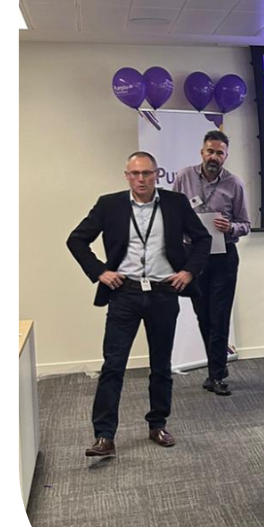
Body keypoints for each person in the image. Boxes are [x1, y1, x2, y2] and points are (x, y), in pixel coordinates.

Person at [66, 152, 211, 457]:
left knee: (161, 365)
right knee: (113, 366)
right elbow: (76, 240)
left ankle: (157, 424)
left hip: (164, 293)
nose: (141, 179)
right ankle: (104, 435)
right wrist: (100, 272)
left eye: (147, 173)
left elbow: (202, 239)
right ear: (126, 175)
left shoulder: (175, 203)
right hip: (125, 294)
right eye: (135, 174)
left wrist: (189, 271)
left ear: (157, 174)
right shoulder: (109, 204)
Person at [162, 129, 251, 395]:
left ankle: (218, 374)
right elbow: (171, 213)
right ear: (202, 152)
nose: (214, 156)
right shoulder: (183, 177)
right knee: (204, 316)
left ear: (226, 156)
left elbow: (246, 224)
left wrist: (230, 227)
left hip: (224, 257)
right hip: (194, 258)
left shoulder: (234, 184)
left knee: (220, 315)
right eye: (210, 151)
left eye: (219, 153)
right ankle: (214, 369)